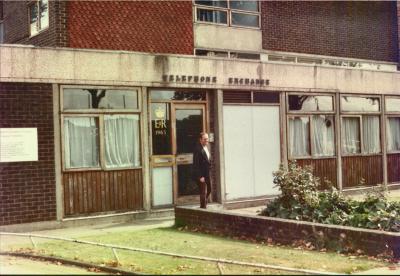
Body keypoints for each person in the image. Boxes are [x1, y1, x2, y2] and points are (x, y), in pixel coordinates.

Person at [192, 132, 211, 209]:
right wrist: (200, 176)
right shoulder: (197, 149)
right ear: (200, 140)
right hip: (202, 175)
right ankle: (203, 208)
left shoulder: (207, 147)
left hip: (207, 173)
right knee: (203, 192)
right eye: (205, 139)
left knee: (209, 189)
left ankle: (204, 204)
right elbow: (196, 164)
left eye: (207, 138)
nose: (207, 140)